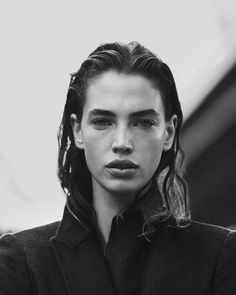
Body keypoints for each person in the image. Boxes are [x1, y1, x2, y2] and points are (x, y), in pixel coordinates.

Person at [0, 41, 236, 295]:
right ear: (78, 130)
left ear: (168, 132)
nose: (122, 143)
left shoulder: (219, 257)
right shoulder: (21, 261)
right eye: (103, 122)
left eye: (143, 122)